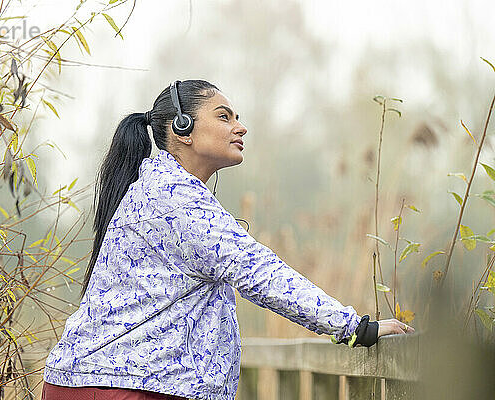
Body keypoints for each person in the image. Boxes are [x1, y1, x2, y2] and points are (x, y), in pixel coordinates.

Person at [42, 80, 415, 400]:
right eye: (224, 116)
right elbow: (259, 272)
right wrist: (354, 327)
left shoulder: (164, 190)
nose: (240, 127)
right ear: (182, 128)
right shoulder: (174, 198)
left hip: (119, 384)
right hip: (121, 388)